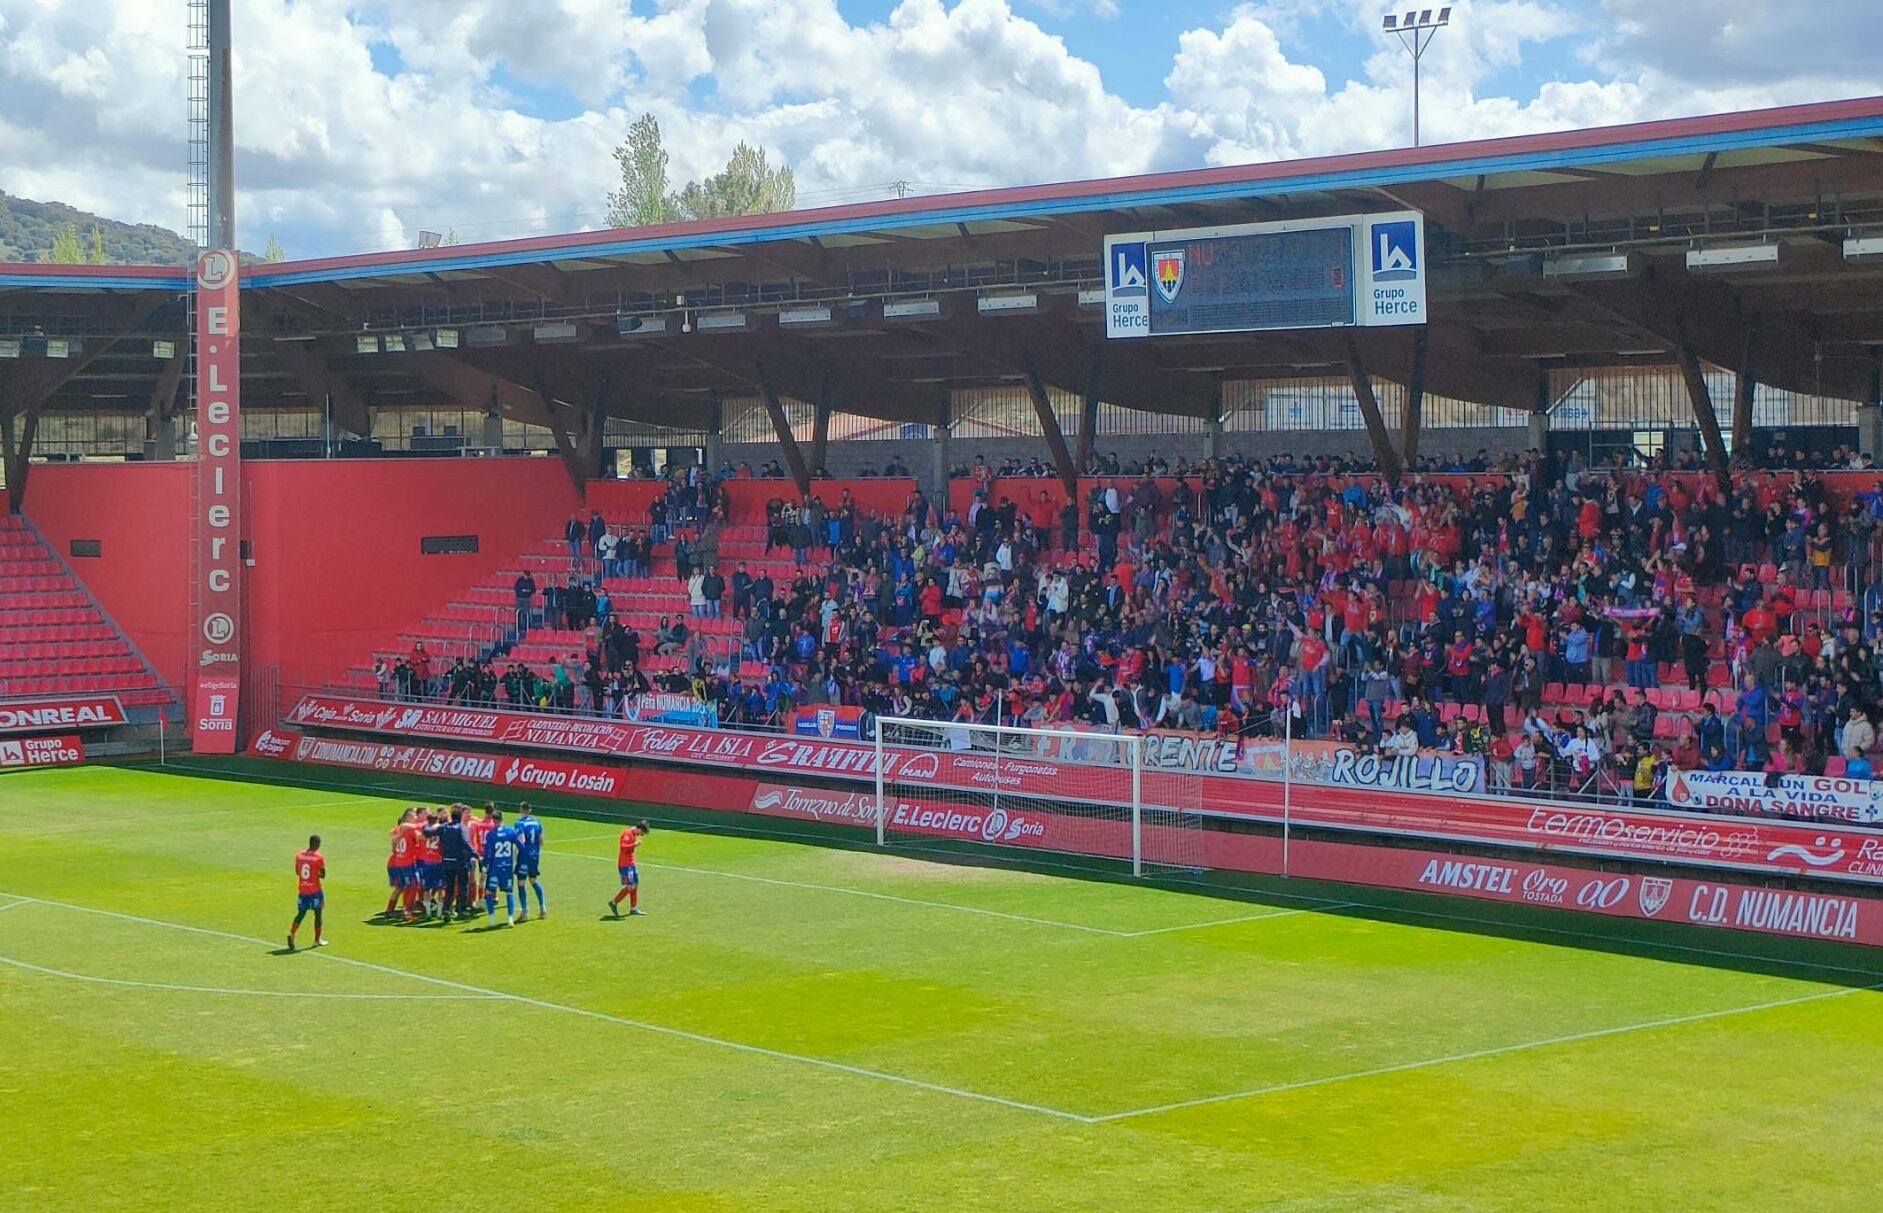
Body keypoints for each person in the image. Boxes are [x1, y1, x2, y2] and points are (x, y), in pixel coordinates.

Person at [481, 809, 521, 927]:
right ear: (502, 819)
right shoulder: (510, 832)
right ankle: (510, 919)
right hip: (507, 867)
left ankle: (492, 919)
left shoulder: (491, 834)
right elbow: (520, 846)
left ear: (493, 820)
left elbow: (487, 853)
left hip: (495, 868)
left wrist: (484, 868)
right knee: (509, 893)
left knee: (488, 893)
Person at [288, 835, 327, 952]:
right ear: (317, 844)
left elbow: (297, 872)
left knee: (301, 913)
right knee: (318, 914)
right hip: (315, 891)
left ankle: (292, 933)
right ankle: (317, 939)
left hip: (303, 890)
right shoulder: (319, 857)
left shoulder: (299, 856)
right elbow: (323, 875)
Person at [383, 808, 420, 921]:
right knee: (412, 885)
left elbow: (393, 837)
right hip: (407, 863)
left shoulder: (397, 829)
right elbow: (421, 837)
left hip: (397, 862)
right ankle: (407, 912)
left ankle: (391, 909)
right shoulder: (411, 830)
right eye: (414, 816)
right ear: (408, 818)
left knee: (401, 886)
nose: (416, 818)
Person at [609, 819, 650, 917]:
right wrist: (635, 844)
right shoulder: (627, 834)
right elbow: (623, 847)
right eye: (642, 833)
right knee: (630, 887)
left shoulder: (633, 834)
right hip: (625, 865)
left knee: (635, 884)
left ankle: (633, 908)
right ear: (639, 828)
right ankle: (614, 902)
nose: (641, 835)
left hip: (631, 864)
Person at [513, 801, 546, 921]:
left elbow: (520, 841)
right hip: (534, 856)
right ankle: (542, 908)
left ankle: (524, 912)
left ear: (520, 810)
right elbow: (542, 842)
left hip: (524, 856)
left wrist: (515, 856)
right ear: (530, 810)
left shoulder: (519, 823)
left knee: (521, 883)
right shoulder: (537, 823)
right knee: (533, 881)